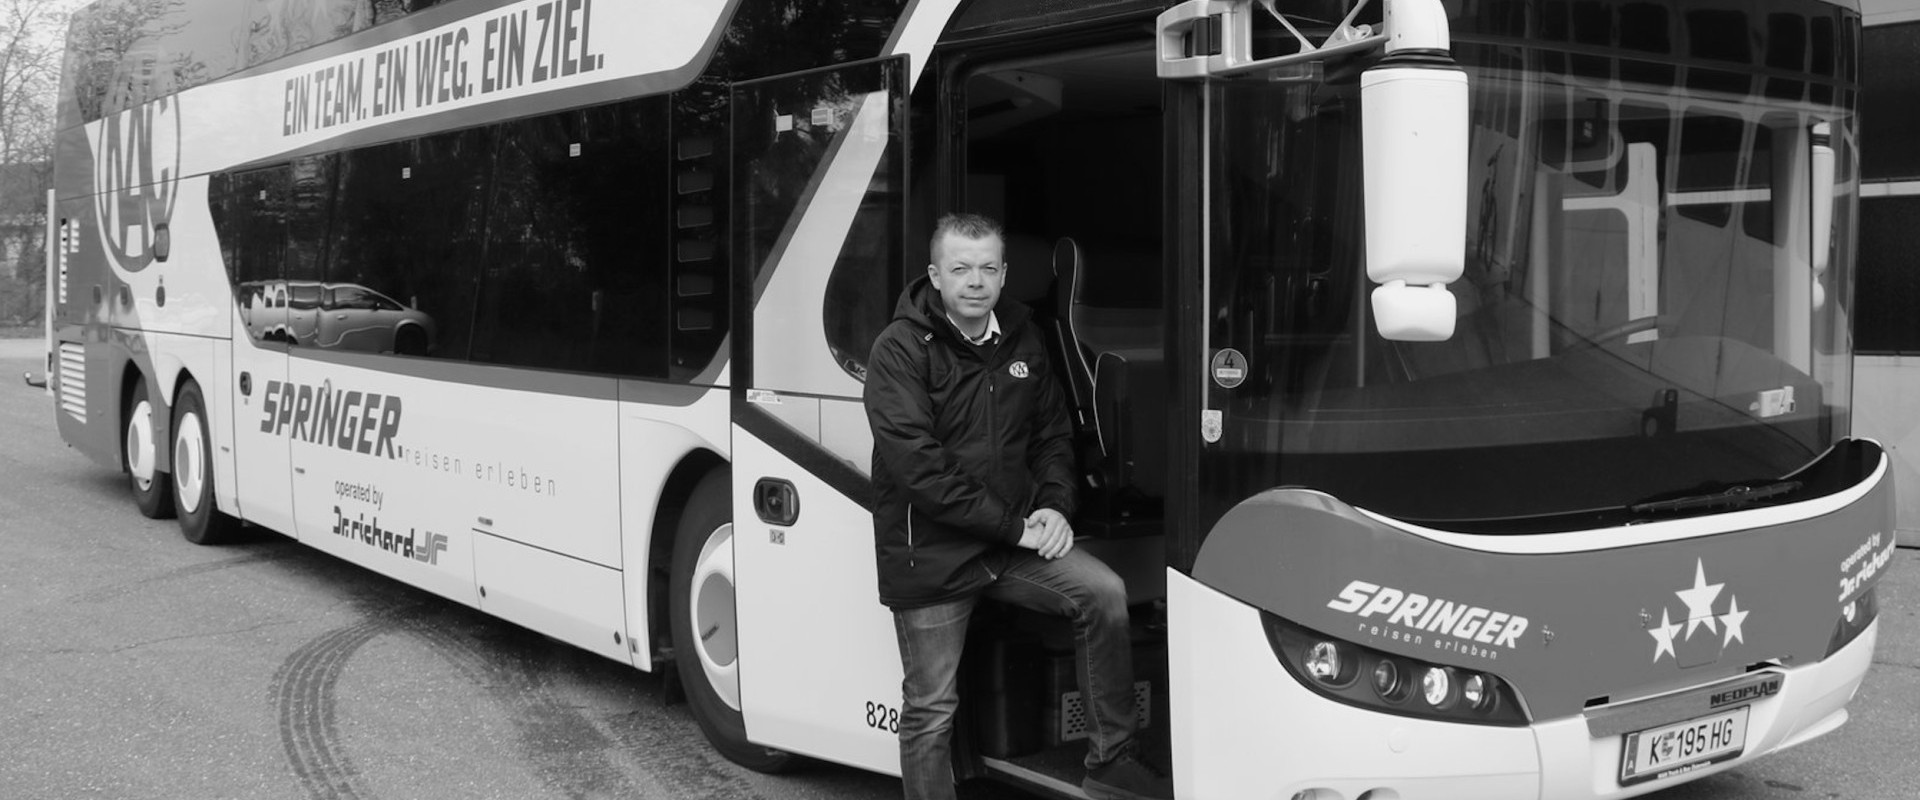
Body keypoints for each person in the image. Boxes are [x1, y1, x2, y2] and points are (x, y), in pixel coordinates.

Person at [864, 213, 1171, 800]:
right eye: (960, 269)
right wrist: (1015, 527)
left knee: (1103, 594)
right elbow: (920, 469)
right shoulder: (898, 350)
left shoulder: (1024, 338)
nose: (974, 281)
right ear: (935, 275)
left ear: (1003, 275)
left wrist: (1056, 507)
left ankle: (1111, 761)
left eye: (986, 269)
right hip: (932, 553)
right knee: (931, 707)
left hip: (1012, 543)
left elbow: (1053, 436)